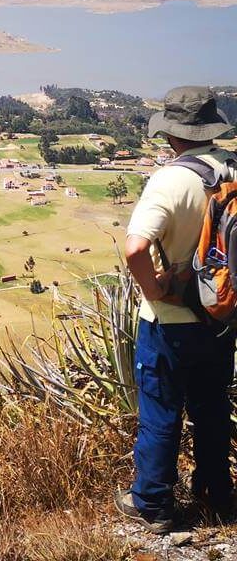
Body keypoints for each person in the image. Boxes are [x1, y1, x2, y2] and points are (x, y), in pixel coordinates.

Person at [115, 86, 237, 533]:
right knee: (212, 408)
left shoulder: (170, 179)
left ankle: (154, 504)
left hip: (169, 323)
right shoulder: (232, 168)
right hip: (221, 315)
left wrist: (157, 292)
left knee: (161, 412)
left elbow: (135, 249)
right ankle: (216, 494)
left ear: (170, 133)